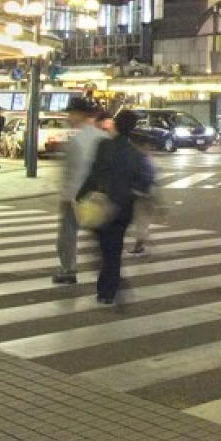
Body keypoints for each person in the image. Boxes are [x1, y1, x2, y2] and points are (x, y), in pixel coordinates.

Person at [78, 110, 149, 304]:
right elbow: (144, 181)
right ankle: (110, 288)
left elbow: (94, 173)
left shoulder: (104, 146)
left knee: (104, 248)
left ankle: (105, 289)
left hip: (103, 203)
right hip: (124, 207)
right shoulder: (135, 152)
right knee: (115, 249)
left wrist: (81, 195)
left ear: (115, 126)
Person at [52, 97, 107, 286]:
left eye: (71, 113)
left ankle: (68, 269)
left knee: (67, 235)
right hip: (99, 195)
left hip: (76, 196)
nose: (69, 117)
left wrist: (65, 196)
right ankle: (107, 269)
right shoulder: (101, 137)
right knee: (100, 235)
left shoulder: (76, 141)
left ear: (79, 115)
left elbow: (70, 173)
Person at [130, 131, 161, 256]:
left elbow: (148, 179)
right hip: (147, 195)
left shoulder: (143, 159)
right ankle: (140, 243)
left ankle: (139, 245)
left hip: (143, 195)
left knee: (141, 222)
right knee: (142, 222)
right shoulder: (147, 159)